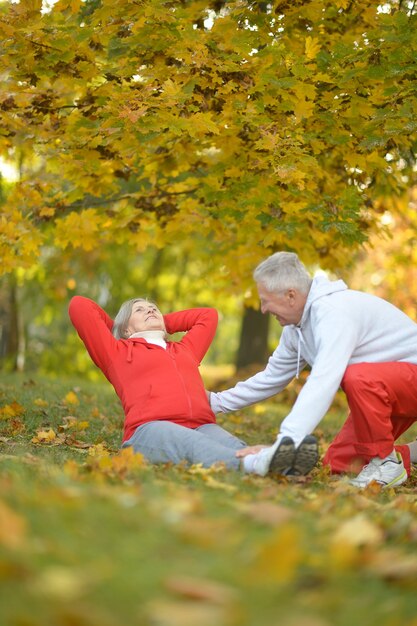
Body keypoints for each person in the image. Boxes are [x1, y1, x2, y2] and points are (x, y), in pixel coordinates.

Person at [208, 251, 417, 489]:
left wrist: (287, 441)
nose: (263, 309)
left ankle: (386, 463)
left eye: (265, 300)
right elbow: (270, 378)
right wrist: (214, 402)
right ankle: (406, 454)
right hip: (389, 391)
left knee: (357, 377)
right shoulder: (295, 330)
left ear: (290, 296)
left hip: (406, 380)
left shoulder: (333, 313)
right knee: (337, 463)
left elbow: (323, 382)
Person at [69, 295, 277, 473]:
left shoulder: (184, 349)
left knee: (234, 445)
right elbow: (79, 306)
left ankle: (275, 462)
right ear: (125, 329)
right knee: (194, 445)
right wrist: (120, 327)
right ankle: (250, 462)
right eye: (139, 310)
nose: (149, 310)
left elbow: (208, 316)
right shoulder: (117, 353)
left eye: (153, 309)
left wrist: (159, 323)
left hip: (202, 425)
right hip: (150, 430)